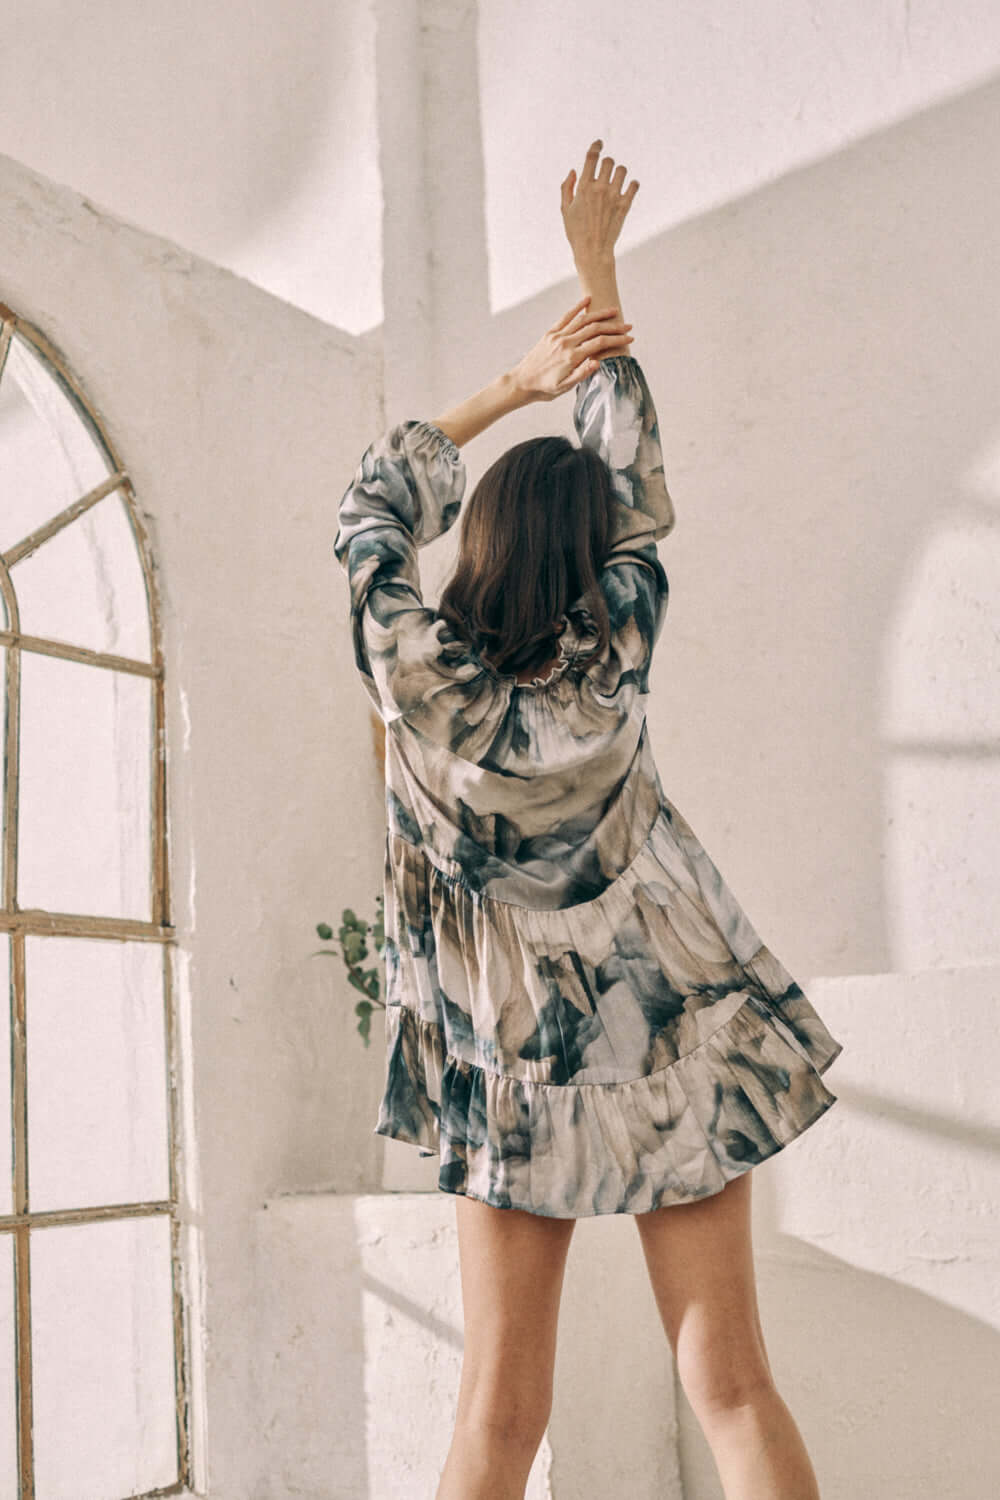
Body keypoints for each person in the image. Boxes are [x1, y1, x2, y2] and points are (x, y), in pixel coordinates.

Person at [334, 139, 843, 1500]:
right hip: (669, 1031)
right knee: (732, 1386)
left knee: (497, 1421)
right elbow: (635, 501)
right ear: (590, 552)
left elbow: (368, 508)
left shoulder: (413, 675)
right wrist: (598, 283)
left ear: (485, 544)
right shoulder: (620, 643)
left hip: (507, 1066)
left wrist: (510, 386)